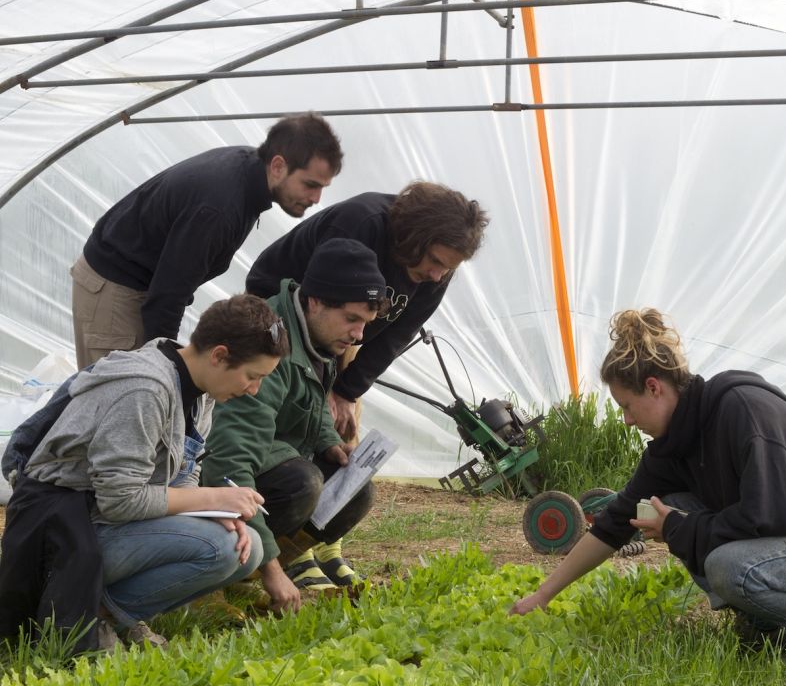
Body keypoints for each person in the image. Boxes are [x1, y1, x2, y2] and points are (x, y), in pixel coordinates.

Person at [511, 309, 786, 654]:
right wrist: (543, 595)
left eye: (627, 406)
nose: (627, 420)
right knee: (671, 507)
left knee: (728, 566)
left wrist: (679, 528)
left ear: (654, 387)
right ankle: (766, 621)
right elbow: (615, 523)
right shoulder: (672, 445)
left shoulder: (742, 409)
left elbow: (778, 516)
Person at [0, 295, 289, 652]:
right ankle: (82, 613)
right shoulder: (145, 389)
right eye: (252, 376)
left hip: (103, 518)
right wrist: (214, 497)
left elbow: (186, 470)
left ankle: (105, 613)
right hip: (65, 529)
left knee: (248, 548)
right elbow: (120, 500)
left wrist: (215, 513)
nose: (254, 390)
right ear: (219, 355)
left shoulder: (202, 388)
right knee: (220, 548)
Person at [201, 238, 388, 613]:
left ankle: (248, 571)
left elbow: (311, 399)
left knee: (355, 489)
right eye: (352, 319)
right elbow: (229, 466)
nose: (358, 335)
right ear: (316, 301)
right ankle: (222, 573)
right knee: (304, 483)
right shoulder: (267, 342)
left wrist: (328, 440)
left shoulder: (316, 333)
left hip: (272, 456)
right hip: (220, 479)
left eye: (365, 324)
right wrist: (273, 570)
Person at [70, 113, 342, 369]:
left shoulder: (248, 171)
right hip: (116, 290)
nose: (316, 199)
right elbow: (167, 297)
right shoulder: (219, 208)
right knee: (121, 396)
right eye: (310, 185)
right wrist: (167, 369)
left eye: (323, 188)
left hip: (140, 286)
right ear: (278, 166)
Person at [245, 181, 488, 442]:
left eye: (448, 268)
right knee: (283, 417)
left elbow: (397, 336)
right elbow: (319, 310)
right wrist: (322, 395)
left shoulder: (438, 270)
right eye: (435, 261)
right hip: (281, 312)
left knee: (342, 434)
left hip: (341, 333)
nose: (437, 276)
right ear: (416, 236)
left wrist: (347, 392)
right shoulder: (363, 222)